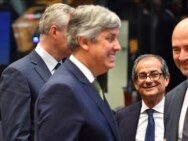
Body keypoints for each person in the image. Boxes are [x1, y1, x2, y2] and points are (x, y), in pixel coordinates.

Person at [35, 5, 122, 141]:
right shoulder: (62, 90)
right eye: (110, 38)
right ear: (84, 42)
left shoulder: (87, 82)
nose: (118, 46)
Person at [0, 3, 74, 141]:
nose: (77, 39)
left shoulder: (70, 70)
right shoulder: (17, 73)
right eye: (73, 32)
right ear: (54, 31)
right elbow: (16, 138)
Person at [116, 54, 170, 141]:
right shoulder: (122, 117)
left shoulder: (178, 113)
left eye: (154, 74)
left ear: (166, 79)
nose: (148, 80)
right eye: (142, 76)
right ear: (136, 84)